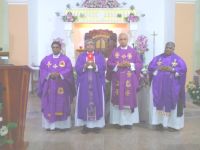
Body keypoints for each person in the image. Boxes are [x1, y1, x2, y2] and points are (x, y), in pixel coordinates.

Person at [148, 41, 187, 131]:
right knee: (159, 103)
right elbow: (150, 68)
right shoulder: (157, 58)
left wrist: (172, 69)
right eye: (166, 47)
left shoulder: (178, 60)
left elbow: (183, 70)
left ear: (173, 49)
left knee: (172, 104)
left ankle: (173, 125)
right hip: (159, 87)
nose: (168, 49)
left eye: (170, 48)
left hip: (172, 88)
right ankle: (159, 122)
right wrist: (158, 68)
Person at [106, 33, 142, 128]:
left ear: (127, 40)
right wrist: (118, 65)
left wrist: (130, 64)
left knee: (128, 100)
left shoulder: (133, 51)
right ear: (118, 41)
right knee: (117, 100)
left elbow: (139, 64)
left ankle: (128, 123)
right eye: (121, 39)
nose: (123, 41)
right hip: (117, 80)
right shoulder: (114, 51)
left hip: (129, 81)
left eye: (124, 39)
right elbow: (109, 63)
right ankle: (117, 122)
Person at [38, 41, 76, 130]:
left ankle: (62, 126)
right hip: (49, 87)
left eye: (57, 47)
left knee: (61, 104)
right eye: (53, 47)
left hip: (61, 87)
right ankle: (50, 126)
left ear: (60, 48)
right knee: (48, 104)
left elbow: (69, 69)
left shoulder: (66, 59)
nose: (55, 49)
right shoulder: (46, 59)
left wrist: (59, 74)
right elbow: (42, 69)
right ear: (52, 48)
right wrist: (49, 74)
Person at [75, 39, 106, 133]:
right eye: (87, 44)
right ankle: (85, 125)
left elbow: (103, 67)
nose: (89, 46)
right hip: (84, 83)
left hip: (96, 83)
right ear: (85, 46)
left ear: (94, 46)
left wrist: (95, 65)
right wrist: (84, 66)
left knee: (96, 101)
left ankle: (97, 125)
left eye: (91, 44)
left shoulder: (99, 56)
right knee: (84, 102)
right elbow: (77, 68)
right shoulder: (81, 56)